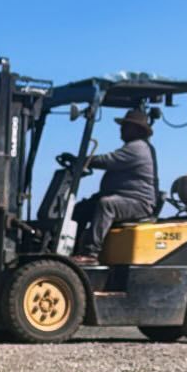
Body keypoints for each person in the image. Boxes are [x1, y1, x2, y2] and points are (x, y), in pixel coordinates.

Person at [71, 107, 159, 263]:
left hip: (139, 203)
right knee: (81, 209)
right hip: (125, 197)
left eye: (126, 125)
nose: (121, 129)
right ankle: (71, 248)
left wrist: (82, 159)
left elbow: (108, 160)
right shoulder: (135, 146)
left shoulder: (138, 148)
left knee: (107, 205)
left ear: (137, 129)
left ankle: (90, 253)